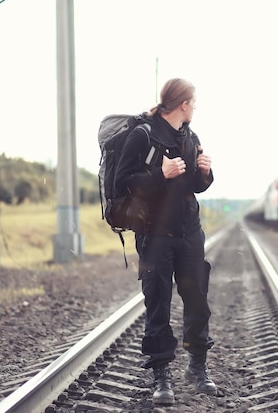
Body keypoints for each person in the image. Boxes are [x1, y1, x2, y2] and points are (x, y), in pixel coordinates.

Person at [114, 78, 216, 405]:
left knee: (197, 300)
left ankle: (197, 368)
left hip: (189, 233)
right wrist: (161, 174)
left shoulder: (191, 137)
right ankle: (162, 377)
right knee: (158, 304)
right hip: (153, 235)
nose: (195, 108)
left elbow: (194, 188)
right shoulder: (142, 135)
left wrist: (205, 174)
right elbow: (122, 183)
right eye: (194, 103)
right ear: (183, 104)